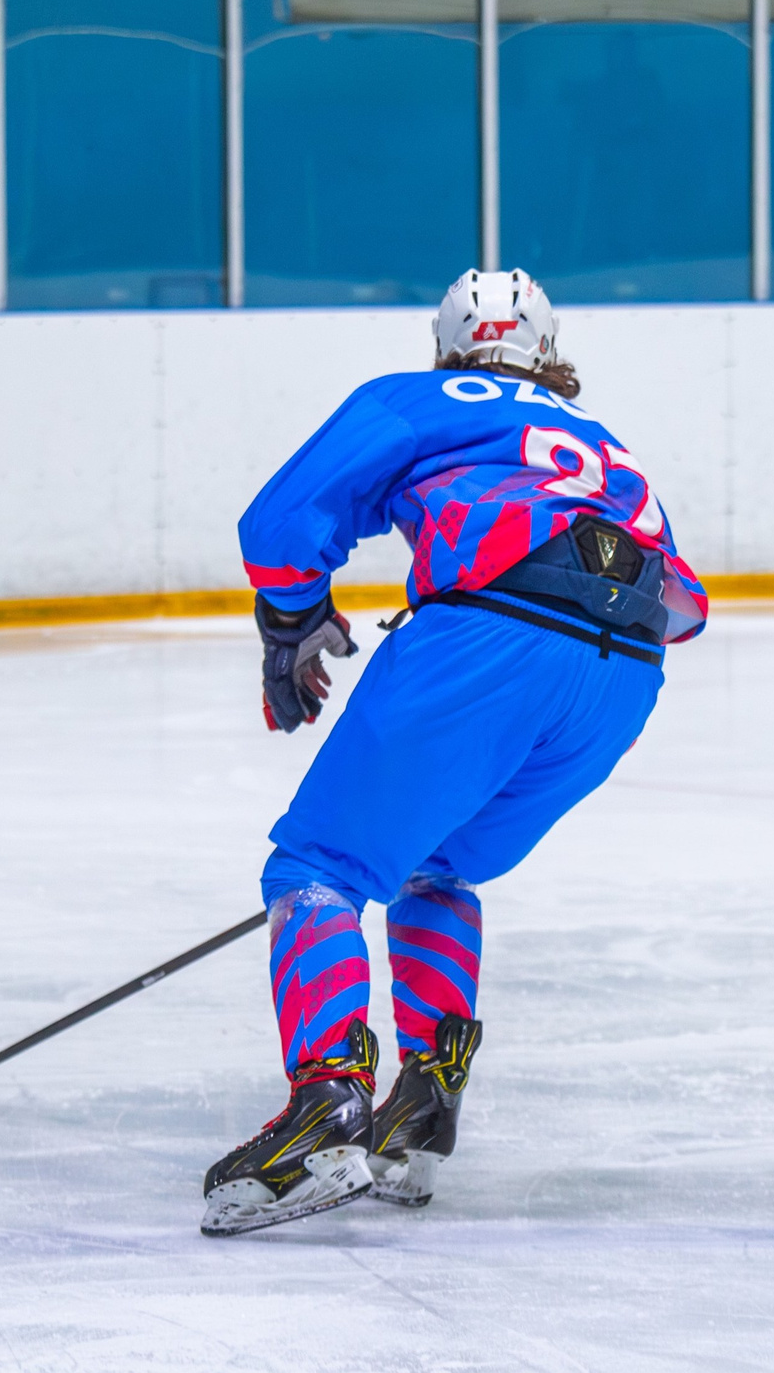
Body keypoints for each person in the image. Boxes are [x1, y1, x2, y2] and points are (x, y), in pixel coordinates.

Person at [201, 268, 710, 1235]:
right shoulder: (599, 439)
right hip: (623, 675)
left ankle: (328, 1109)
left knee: (320, 866)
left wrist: (291, 620)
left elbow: (279, 522)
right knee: (436, 867)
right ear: (547, 351)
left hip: (494, 637)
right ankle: (420, 1110)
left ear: (447, 346)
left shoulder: (416, 397)